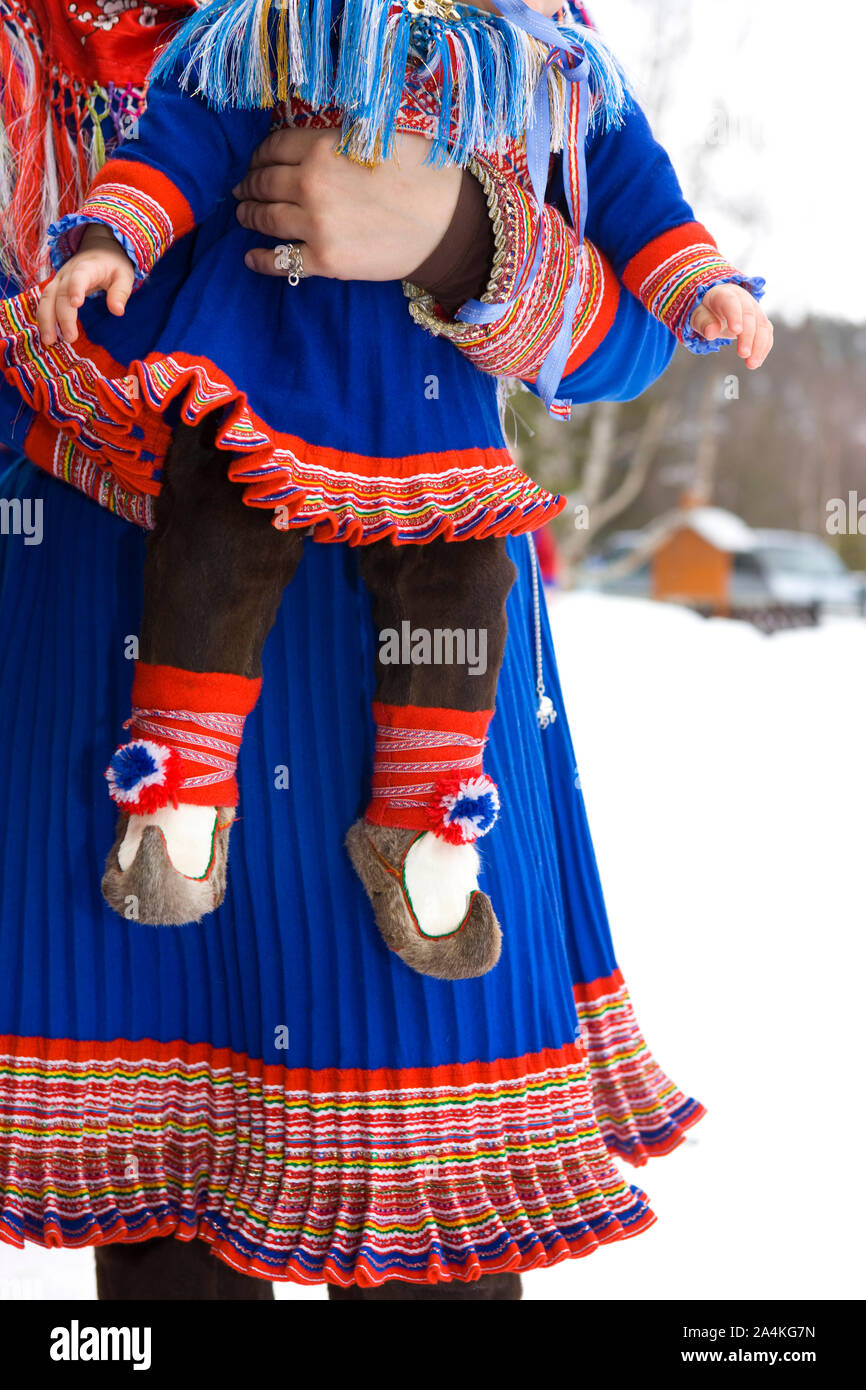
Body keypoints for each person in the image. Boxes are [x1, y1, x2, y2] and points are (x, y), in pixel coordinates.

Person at [0, 0, 720, 1298]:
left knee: (434, 1230)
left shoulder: (493, 23)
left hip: (417, 669)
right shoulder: (33, 32)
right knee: (164, 1254)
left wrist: (454, 235)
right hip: (119, 635)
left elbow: (633, 337)